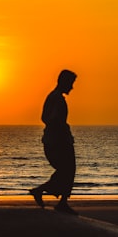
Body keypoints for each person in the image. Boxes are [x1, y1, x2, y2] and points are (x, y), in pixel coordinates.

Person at [29, 69, 78, 215]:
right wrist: (60, 128)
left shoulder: (52, 97)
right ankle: (48, 194)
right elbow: (52, 119)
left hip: (54, 140)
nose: (72, 87)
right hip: (58, 142)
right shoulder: (57, 99)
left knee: (67, 170)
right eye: (70, 84)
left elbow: (44, 118)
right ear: (64, 82)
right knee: (68, 169)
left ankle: (59, 199)